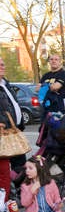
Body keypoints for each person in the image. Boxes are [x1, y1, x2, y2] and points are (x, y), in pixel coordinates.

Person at [0, 57, 25, 198]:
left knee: (20, 162)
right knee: (4, 166)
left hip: (14, 130)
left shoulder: (5, 83)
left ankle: (21, 192)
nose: (2, 66)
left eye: (3, 64)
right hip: (4, 133)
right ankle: (7, 195)